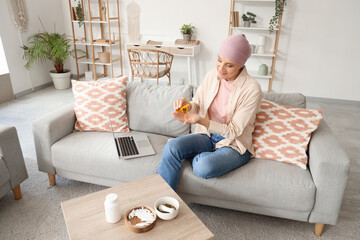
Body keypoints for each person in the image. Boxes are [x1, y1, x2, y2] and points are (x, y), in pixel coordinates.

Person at [157, 34, 263, 191]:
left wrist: (200, 120)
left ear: (240, 66)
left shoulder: (252, 89)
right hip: (207, 135)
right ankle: (161, 198)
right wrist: (187, 106)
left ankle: (195, 156)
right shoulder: (212, 76)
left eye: (229, 65)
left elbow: (233, 131)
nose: (221, 68)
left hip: (233, 144)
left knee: (203, 166)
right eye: (219, 60)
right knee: (172, 146)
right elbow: (197, 103)